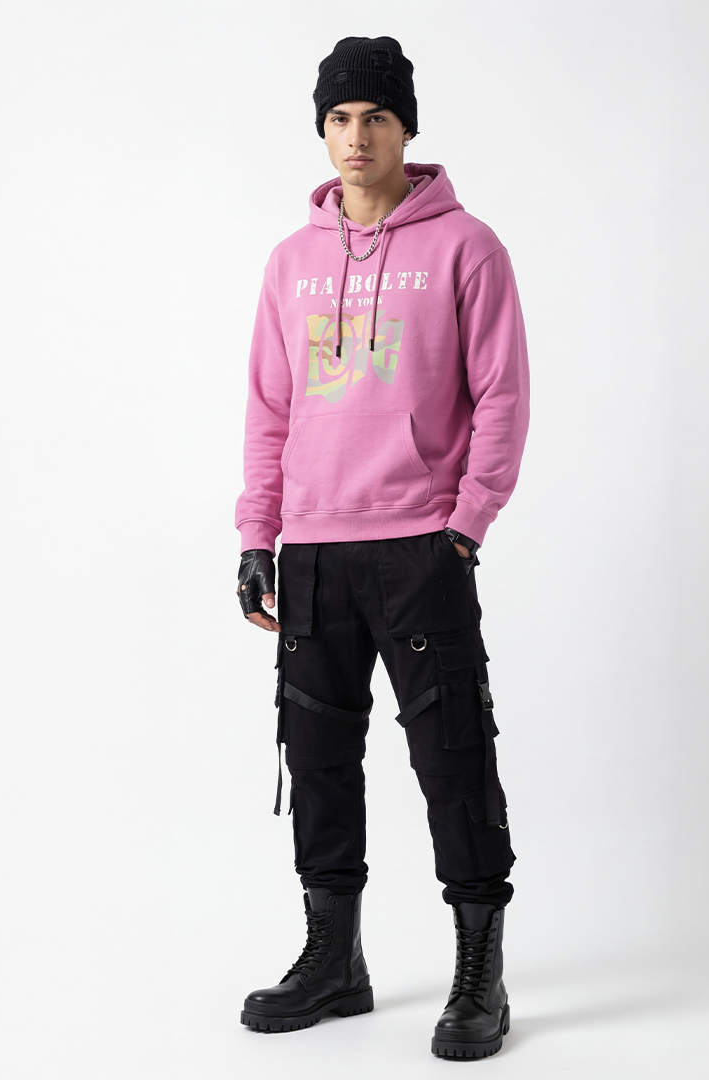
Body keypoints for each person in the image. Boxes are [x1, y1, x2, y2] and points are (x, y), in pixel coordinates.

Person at [233, 36, 530, 1060]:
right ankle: (335, 961)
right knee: (317, 760)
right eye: (339, 118)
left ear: (406, 127)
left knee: (454, 756)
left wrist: (466, 526)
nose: (356, 136)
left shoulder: (467, 248)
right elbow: (269, 408)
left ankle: (481, 974)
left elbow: (502, 396)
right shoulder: (290, 262)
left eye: (375, 117)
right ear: (322, 131)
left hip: (419, 548)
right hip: (315, 550)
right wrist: (257, 534)